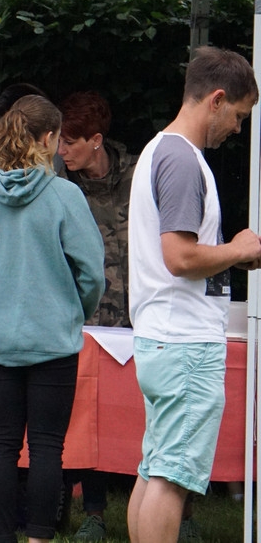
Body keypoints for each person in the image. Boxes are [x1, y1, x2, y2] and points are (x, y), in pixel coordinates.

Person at [126, 46, 261, 543]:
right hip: (184, 342)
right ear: (216, 100)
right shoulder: (183, 160)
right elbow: (180, 257)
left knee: (154, 470)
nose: (238, 129)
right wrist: (237, 248)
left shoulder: (159, 150)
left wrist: (228, 255)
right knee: (171, 478)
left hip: (163, 336)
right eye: (239, 116)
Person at [0, 94, 106, 543]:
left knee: (1, 444)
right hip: (53, 341)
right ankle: (40, 538)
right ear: (48, 139)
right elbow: (92, 273)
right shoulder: (65, 196)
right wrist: (73, 312)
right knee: (47, 448)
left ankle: (0, 538)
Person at [56, 91, 137, 541]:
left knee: (147, 416)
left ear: (97, 141)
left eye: (70, 142)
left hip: (141, 319)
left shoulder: (142, 174)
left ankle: (178, 514)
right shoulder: (59, 186)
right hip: (84, 321)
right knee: (88, 416)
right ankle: (94, 513)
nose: (61, 150)